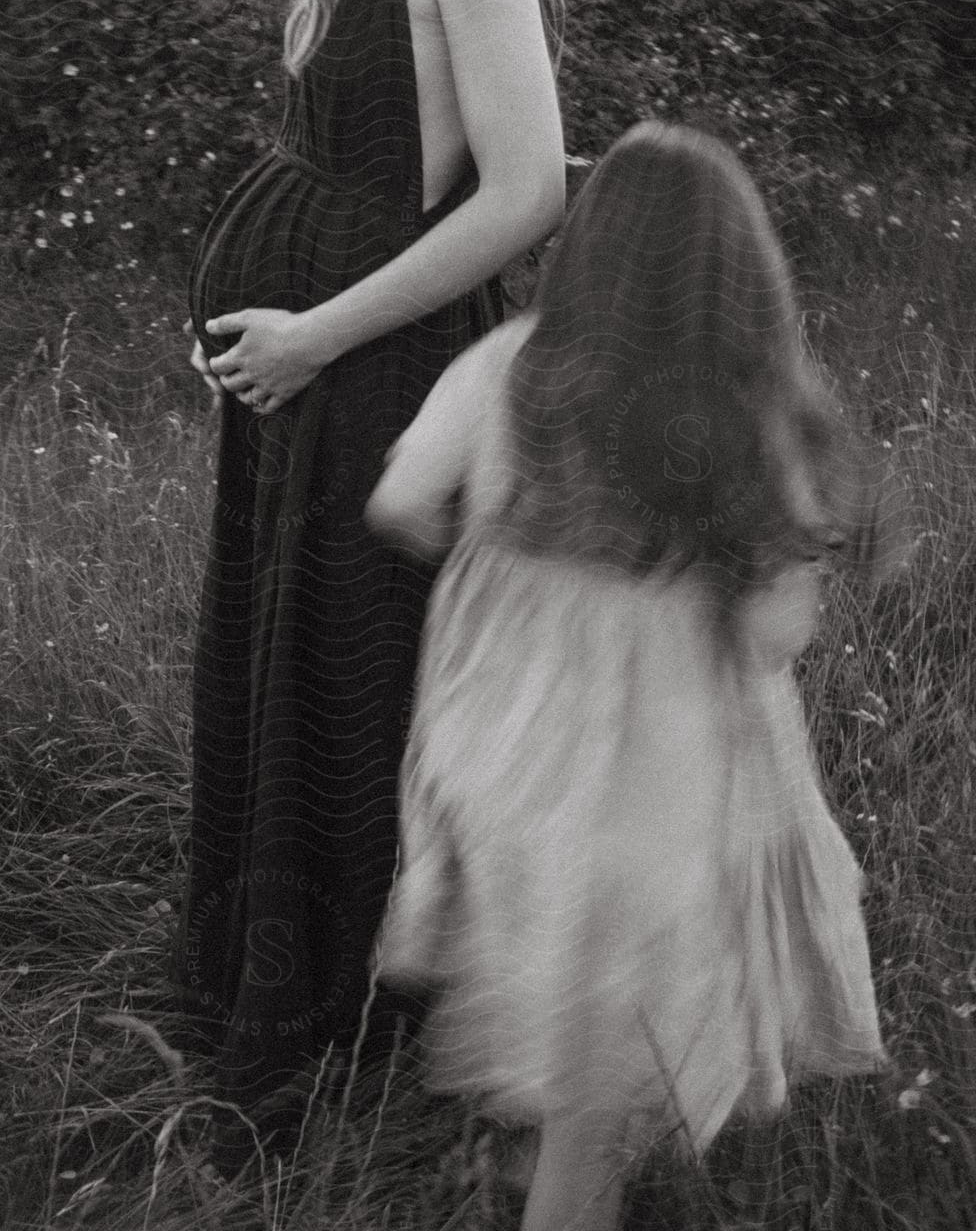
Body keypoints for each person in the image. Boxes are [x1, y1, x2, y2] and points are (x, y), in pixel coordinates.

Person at [174, 0, 568, 1176]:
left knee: (368, 680)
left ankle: (367, 1036)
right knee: (300, 668)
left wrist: (318, 333)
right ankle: (301, 988)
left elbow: (523, 187)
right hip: (303, 365)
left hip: (376, 363)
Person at [366, 121, 905, 1231]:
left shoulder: (506, 366)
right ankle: (559, 1188)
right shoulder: (752, 412)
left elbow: (401, 501)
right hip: (653, 784)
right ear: (741, 269)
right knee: (605, 1070)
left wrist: (495, 563)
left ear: (587, 247)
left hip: (502, 748)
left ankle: (522, 1152)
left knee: (550, 977)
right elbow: (774, 633)